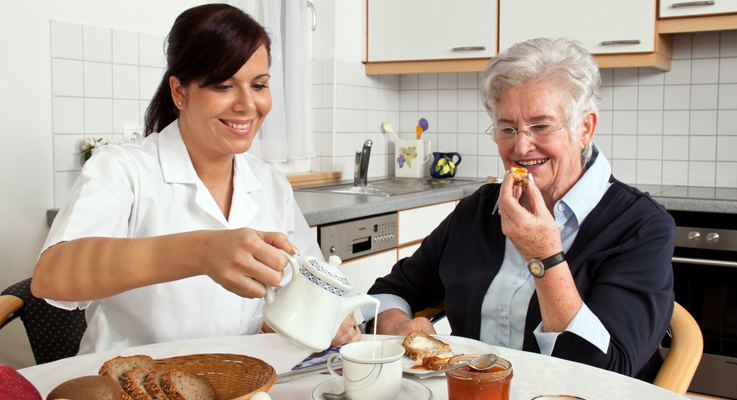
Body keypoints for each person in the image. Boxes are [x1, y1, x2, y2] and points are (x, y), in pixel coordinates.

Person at [31, 4, 360, 354]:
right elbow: (52, 275)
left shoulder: (271, 184)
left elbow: (305, 282)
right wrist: (203, 251)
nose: (248, 104)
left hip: (239, 379)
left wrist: (331, 315)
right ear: (179, 93)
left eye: (259, 85)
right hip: (133, 381)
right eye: (223, 86)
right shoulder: (123, 169)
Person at [363, 38, 675, 381]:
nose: (521, 146)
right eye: (508, 128)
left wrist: (544, 254)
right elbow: (388, 292)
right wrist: (401, 329)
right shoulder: (478, 210)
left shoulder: (642, 226)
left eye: (541, 126)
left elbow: (606, 373)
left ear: (584, 128)